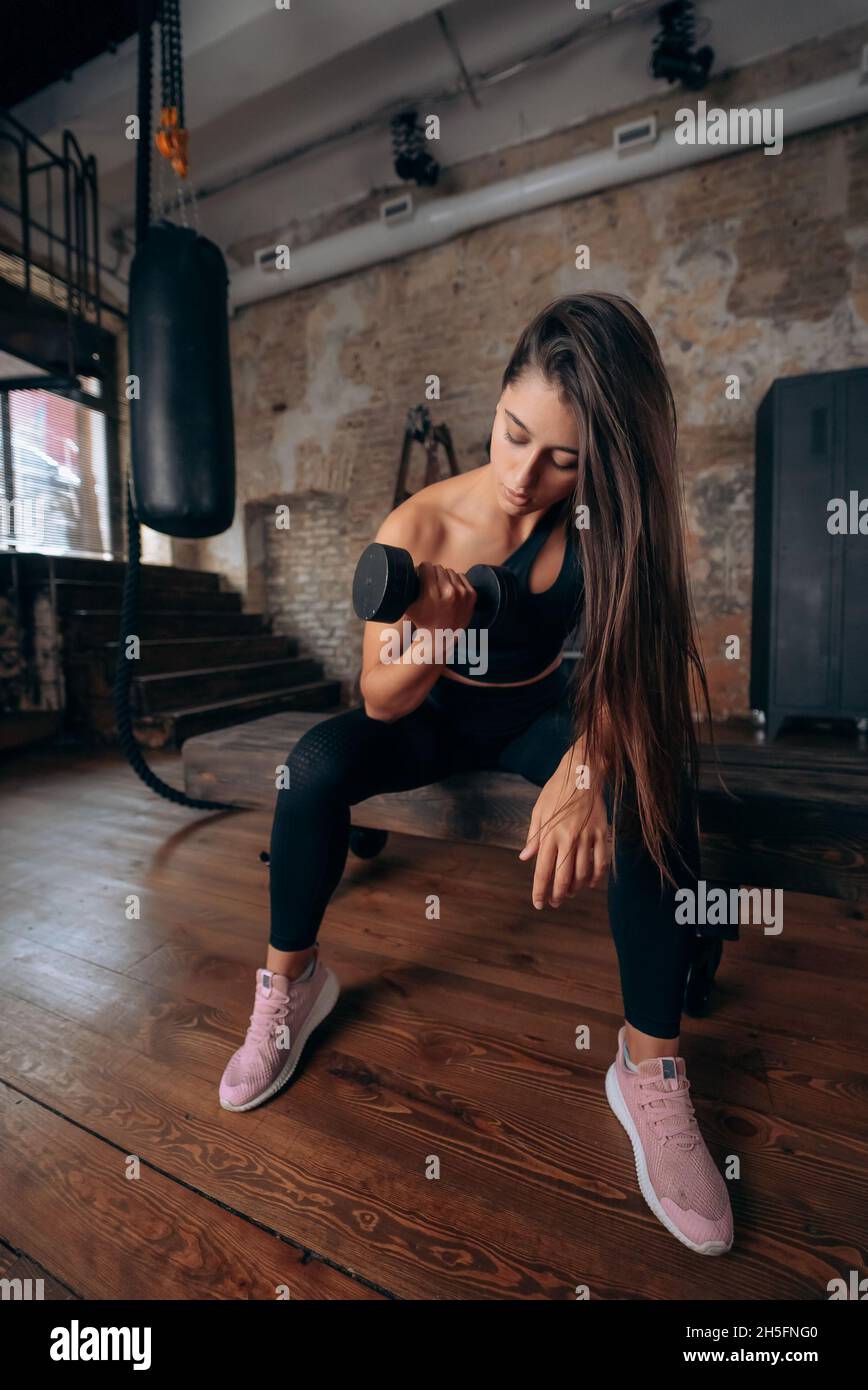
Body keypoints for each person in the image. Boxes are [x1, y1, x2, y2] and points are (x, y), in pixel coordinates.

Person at [219, 292, 733, 1257]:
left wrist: (588, 762)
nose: (523, 473)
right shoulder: (421, 521)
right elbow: (379, 699)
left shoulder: (608, 524)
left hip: (547, 716)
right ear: (497, 400)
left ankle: (648, 1072)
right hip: (437, 719)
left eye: (561, 459)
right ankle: (293, 989)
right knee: (314, 767)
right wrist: (436, 632)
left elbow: (638, 666)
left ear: (599, 464)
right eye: (512, 434)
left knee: (646, 793)